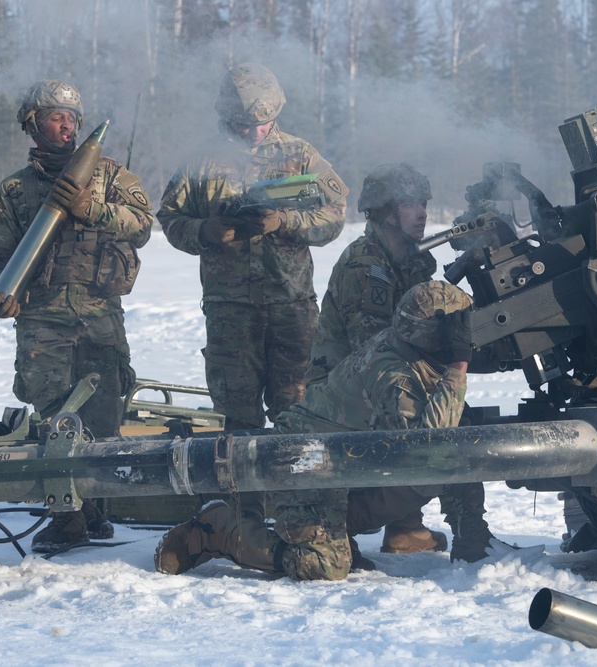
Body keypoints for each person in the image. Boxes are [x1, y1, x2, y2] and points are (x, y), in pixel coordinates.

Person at [155, 280, 514, 581]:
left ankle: (471, 541)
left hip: (345, 466)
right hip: (301, 466)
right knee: (323, 565)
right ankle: (221, 528)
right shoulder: (394, 373)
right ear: (434, 334)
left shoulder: (412, 349)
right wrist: (459, 363)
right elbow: (428, 445)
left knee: (460, 438)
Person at [0, 79, 153, 553]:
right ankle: (67, 518)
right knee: (54, 418)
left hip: (100, 318)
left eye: (72, 118)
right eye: (56, 117)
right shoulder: (15, 190)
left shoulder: (112, 176)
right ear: (32, 124)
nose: (67, 125)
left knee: (103, 414)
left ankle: (97, 507)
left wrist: (90, 207)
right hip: (42, 323)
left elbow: (142, 226)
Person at [157, 63, 348, 433]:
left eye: (264, 122)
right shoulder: (200, 161)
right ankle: (242, 493)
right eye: (246, 125)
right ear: (227, 116)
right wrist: (205, 231)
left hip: (291, 310)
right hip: (230, 312)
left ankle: (296, 491)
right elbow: (170, 218)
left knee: (301, 413)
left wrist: (286, 222)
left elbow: (334, 216)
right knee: (235, 419)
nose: (256, 132)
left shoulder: (301, 154)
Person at [307, 163, 444, 556]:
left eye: (423, 203)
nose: (421, 212)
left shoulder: (412, 259)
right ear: (385, 212)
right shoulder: (365, 264)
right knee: (434, 418)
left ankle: (406, 527)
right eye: (408, 204)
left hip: (371, 377)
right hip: (338, 393)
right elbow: (375, 347)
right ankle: (338, 525)